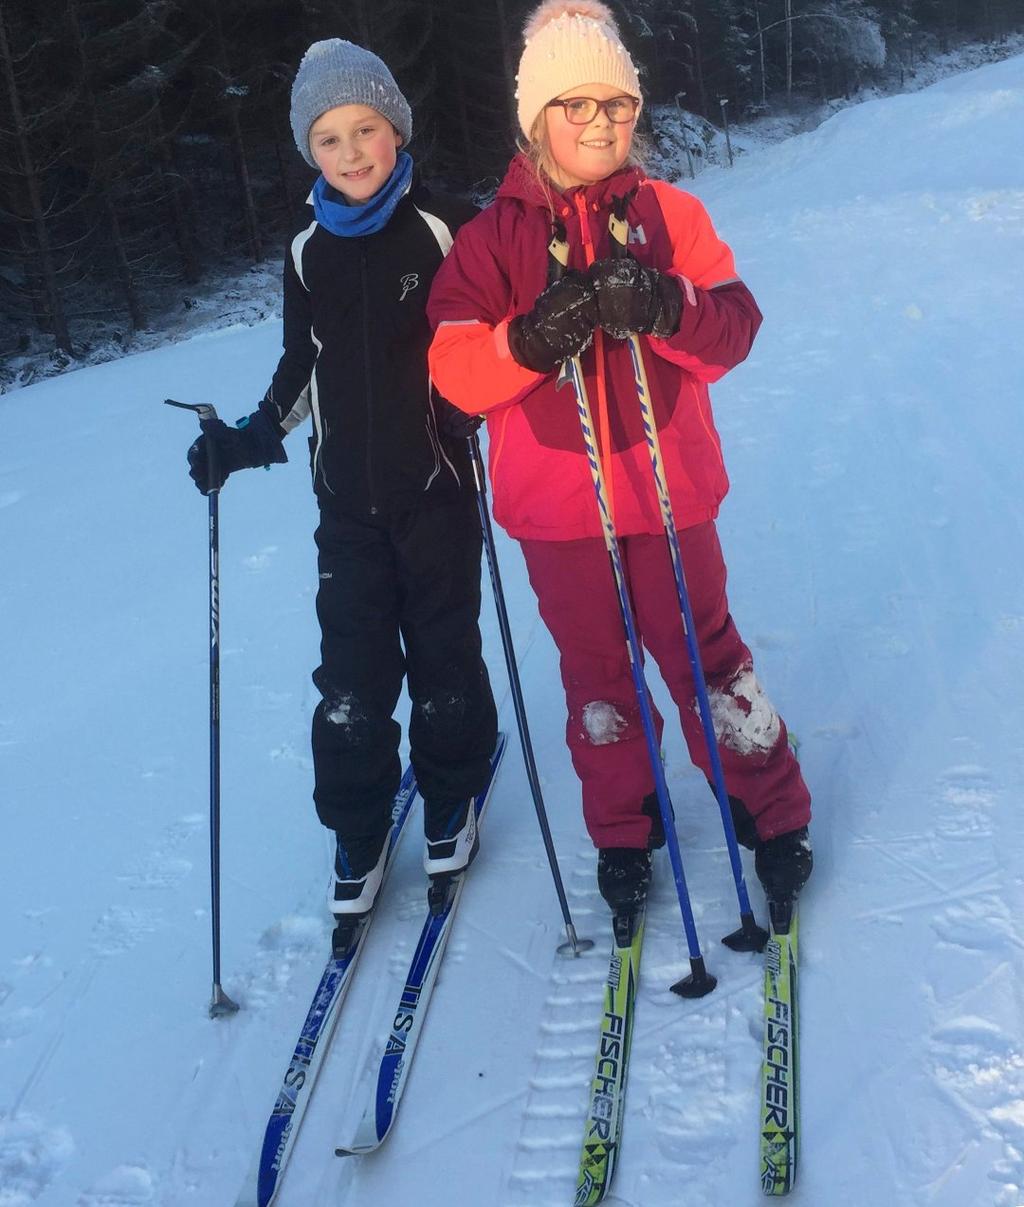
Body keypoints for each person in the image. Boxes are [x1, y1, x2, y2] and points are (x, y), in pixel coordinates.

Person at [426, 0, 811, 917]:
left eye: (618, 103)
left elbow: (734, 328)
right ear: (537, 117)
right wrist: (529, 338)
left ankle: (769, 806)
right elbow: (452, 370)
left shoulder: (672, 214)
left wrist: (667, 304)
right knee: (596, 675)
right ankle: (625, 824)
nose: (600, 122)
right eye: (576, 104)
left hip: (671, 495)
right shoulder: (491, 242)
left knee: (707, 657)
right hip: (559, 513)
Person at [186, 39, 498, 946]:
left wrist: (479, 405)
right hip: (345, 509)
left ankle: (450, 800)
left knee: (444, 654)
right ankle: (359, 832)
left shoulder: (448, 224)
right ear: (309, 151)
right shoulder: (307, 248)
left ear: (396, 130)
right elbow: (302, 361)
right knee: (351, 681)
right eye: (330, 137)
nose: (352, 151)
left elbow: (495, 335)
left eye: (366, 129)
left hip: (436, 489)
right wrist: (246, 440)